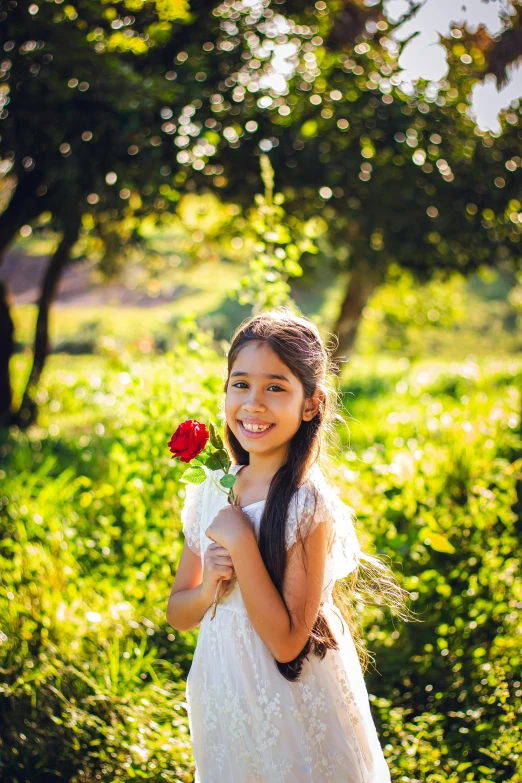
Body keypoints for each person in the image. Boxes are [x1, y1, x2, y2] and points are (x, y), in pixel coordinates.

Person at [166, 307, 412, 782]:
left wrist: (242, 544)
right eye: (241, 384)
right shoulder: (211, 488)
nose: (253, 404)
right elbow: (179, 613)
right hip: (224, 689)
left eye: (275, 387)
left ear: (311, 403)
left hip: (292, 697)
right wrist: (209, 587)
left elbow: (285, 643)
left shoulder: (306, 504)